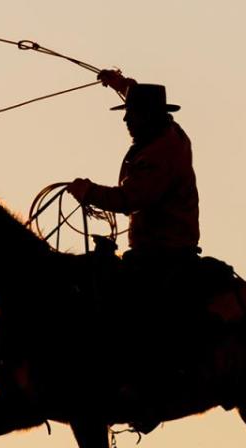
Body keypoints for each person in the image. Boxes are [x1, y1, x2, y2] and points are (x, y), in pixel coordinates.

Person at [66, 71, 201, 296]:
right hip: (166, 251)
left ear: (148, 116)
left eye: (132, 113)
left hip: (160, 256)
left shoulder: (158, 155)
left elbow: (130, 199)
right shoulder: (172, 133)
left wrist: (88, 192)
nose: (126, 119)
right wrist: (122, 85)